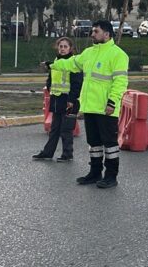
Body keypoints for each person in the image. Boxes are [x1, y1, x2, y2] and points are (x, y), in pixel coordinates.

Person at [48, 20, 129, 189]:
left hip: (106, 108)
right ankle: (95, 172)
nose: (92, 34)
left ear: (106, 34)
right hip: (90, 107)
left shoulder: (118, 55)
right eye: (92, 31)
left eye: (96, 31)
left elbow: (120, 82)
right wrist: (53, 64)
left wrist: (112, 102)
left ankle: (111, 176)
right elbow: (72, 63)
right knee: (94, 143)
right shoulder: (89, 53)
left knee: (109, 144)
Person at [33, 37, 83, 162]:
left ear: (70, 48)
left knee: (66, 129)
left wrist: (71, 100)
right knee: (54, 129)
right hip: (56, 98)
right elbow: (51, 77)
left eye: (65, 46)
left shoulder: (74, 63)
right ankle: (47, 153)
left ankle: (67, 154)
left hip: (69, 100)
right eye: (61, 46)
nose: (62, 49)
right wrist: (49, 86)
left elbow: (77, 83)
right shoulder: (56, 61)